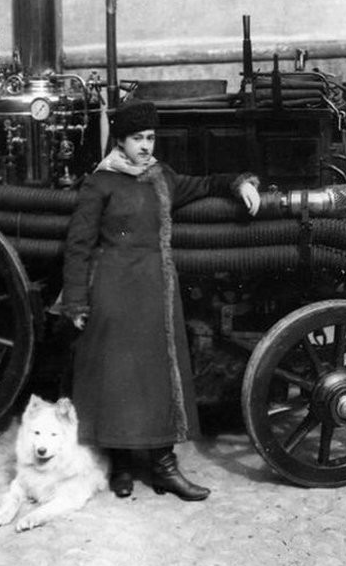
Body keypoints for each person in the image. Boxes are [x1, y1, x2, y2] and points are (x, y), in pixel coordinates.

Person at [62, 100, 260, 501]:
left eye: (150, 138)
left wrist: (240, 183)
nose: (146, 146)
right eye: (138, 138)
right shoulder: (99, 183)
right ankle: (119, 463)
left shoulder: (161, 177)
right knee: (116, 378)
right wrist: (77, 302)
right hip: (113, 292)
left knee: (157, 376)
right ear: (119, 141)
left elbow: (205, 184)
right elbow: (79, 246)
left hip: (156, 292)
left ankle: (164, 466)